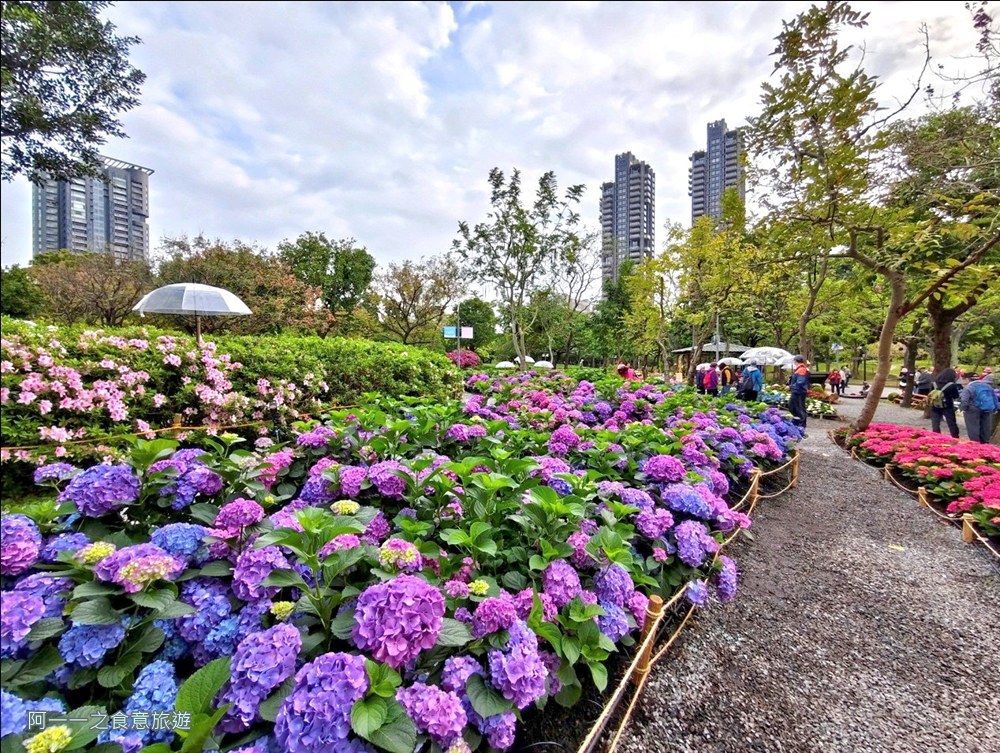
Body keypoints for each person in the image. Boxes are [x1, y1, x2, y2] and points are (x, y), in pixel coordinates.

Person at [959, 372, 997, 443]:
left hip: (972, 410)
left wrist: (963, 408)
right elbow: (994, 398)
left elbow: (964, 400)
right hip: (987, 408)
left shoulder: (969, 387)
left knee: (973, 427)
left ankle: (975, 444)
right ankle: (985, 443)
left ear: (967, 379)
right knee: (985, 427)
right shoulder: (987, 386)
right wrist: (995, 408)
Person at [929, 367, 962, 439]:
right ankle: (955, 436)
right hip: (947, 405)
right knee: (951, 422)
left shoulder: (934, 383)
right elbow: (955, 396)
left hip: (935, 405)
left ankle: (936, 436)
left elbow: (930, 393)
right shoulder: (951, 385)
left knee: (935, 422)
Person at [788, 354, 810, 430]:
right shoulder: (800, 369)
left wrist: (791, 386)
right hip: (797, 391)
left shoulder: (801, 369)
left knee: (799, 407)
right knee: (792, 406)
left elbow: (800, 382)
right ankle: (798, 420)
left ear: (795, 361)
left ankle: (802, 422)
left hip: (799, 392)